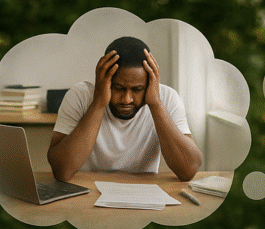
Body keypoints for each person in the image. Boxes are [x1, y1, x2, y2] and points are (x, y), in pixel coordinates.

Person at [48, 36, 202, 182]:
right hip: (89, 191)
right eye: (118, 88)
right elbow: (62, 171)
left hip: (143, 194)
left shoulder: (167, 97)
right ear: (103, 80)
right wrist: (99, 103)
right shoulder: (80, 95)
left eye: (137, 89)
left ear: (150, 83)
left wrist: (155, 104)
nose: (127, 99)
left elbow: (188, 170)